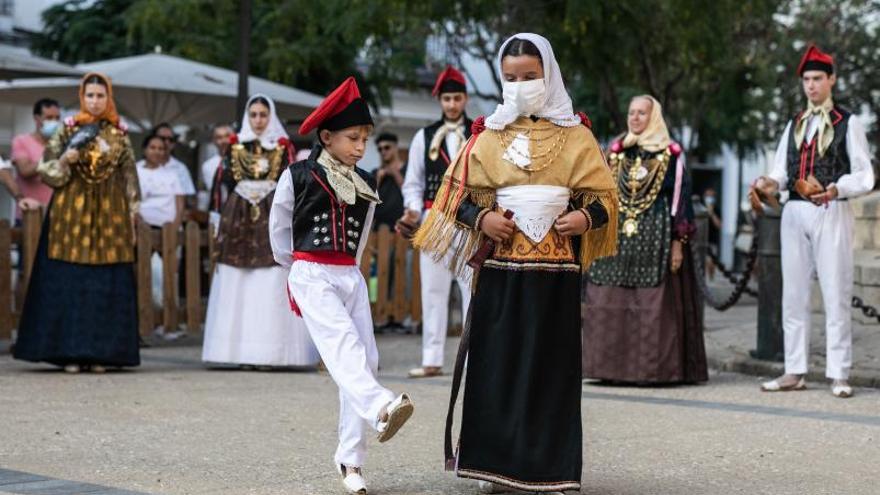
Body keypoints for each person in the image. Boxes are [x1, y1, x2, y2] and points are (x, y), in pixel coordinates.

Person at [413, 34, 617, 493]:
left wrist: (584, 217)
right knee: (497, 364)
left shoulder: (578, 136)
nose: (521, 85)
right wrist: (483, 218)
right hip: (502, 272)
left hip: (557, 275)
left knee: (552, 368)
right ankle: (494, 466)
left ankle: (550, 471)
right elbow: (453, 196)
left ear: (549, 75)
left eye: (530, 76)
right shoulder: (487, 136)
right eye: (511, 78)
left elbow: (604, 200)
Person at [269, 77, 414, 495]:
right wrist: (294, 273)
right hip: (311, 270)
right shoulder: (296, 175)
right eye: (352, 138)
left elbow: (363, 232)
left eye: (364, 139)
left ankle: (350, 460)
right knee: (343, 348)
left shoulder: (364, 180)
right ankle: (382, 407)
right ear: (327, 136)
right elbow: (279, 230)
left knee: (364, 357)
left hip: (347, 272)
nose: (360, 147)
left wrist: (349, 270)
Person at [754, 45, 874, 398]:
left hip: (830, 211)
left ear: (831, 80)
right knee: (794, 295)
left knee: (836, 291)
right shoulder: (795, 123)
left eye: (817, 78)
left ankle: (839, 373)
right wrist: (768, 183)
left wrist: (837, 189)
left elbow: (865, 174)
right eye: (806, 79)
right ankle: (795, 370)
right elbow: (780, 168)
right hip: (794, 211)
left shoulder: (848, 123)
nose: (811, 85)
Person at [13, 72, 141, 373]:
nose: (95, 101)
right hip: (70, 214)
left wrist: (132, 214)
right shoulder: (67, 130)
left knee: (105, 282)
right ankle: (67, 353)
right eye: (90, 96)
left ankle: (102, 354)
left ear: (108, 98)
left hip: (110, 215)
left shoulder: (120, 134)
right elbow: (45, 170)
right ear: (82, 98)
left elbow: (129, 178)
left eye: (100, 96)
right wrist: (64, 161)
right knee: (69, 280)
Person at [582, 95, 708, 385]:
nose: (635, 118)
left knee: (653, 305)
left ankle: (652, 371)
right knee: (608, 300)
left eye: (641, 113)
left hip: (657, 241)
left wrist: (679, 242)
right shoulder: (616, 153)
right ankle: (609, 370)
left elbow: (681, 200)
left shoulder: (670, 155)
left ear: (653, 118)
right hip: (616, 243)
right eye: (632, 113)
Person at [201, 94, 319, 369]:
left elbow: (292, 184)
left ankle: (271, 352)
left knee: (271, 278)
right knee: (237, 279)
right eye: (253, 114)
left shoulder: (283, 147)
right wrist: (217, 216)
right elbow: (222, 183)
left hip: (271, 214)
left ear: (271, 116)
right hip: (238, 218)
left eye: (263, 115)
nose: (257, 120)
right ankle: (235, 353)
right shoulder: (234, 147)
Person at [400, 66, 473, 378]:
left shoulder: (481, 134)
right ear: (440, 101)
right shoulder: (424, 136)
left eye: (457, 98)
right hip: (435, 218)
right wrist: (413, 210)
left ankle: (473, 358)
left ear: (465, 99)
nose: (452, 105)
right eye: (447, 99)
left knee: (472, 289)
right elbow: (413, 182)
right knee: (432, 290)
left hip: (472, 219)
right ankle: (432, 358)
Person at [137, 133, 196, 314]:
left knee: (169, 274)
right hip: (142, 228)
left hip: (168, 228)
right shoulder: (136, 171)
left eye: (161, 148)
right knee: (144, 274)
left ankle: (169, 317)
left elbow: (180, 203)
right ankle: (146, 316)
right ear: (145, 150)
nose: (157, 152)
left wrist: (174, 229)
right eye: (153, 148)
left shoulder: (173, 174)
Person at [0, 98, 60, 215]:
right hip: (29, 215)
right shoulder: (21, 141)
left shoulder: (61, 143)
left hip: (56, 214)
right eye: (49, 118)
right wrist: (51, 157)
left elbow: (2, 172)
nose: (54, 122)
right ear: (37, 118)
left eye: (57, 118)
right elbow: (24, 171)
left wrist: (19, 198)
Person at [371, 132, 405, 231]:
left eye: (387, 147)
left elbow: (412, 193)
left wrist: (395, 174)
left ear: (395, 148)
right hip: (379, 226)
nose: (383, 151)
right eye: (380, 149)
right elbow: (369, 198)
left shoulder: (409, 170)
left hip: (401, 225)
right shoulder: (375, 173)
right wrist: (378, 180)